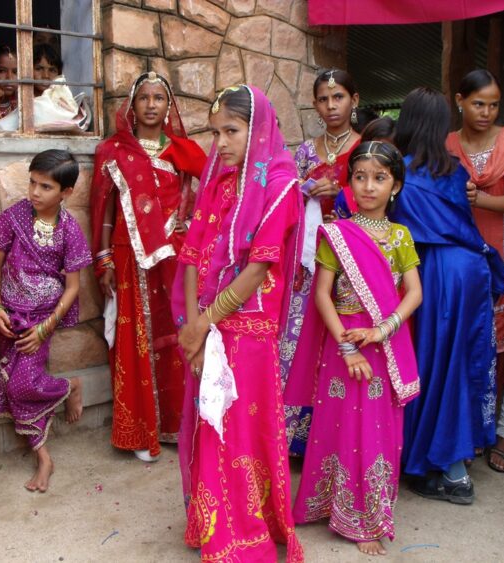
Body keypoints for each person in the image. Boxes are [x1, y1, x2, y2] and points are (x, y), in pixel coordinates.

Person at [175, 85, 304, 562]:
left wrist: (205, 322)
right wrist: (192, 326)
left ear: (259, 127)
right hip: (207, 325)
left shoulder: (280, 182)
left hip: (246, 327)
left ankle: (244, 530)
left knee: (239, 428)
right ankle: (211, 521)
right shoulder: (220, 180)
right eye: (216, 133)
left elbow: (258, 267)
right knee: (209, 423)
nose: (221, 143)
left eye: (231, 131)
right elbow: (192, 256)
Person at [286, 141, 421, 556]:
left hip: (384, 345)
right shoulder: (337, 233)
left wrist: (381, 331)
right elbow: (322, 295)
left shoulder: (400, 236)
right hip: (343, 346)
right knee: (340, 425)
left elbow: (414, 293)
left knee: (377, 431)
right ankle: (335, 506)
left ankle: (368, 516)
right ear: (349, 184)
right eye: (360, 177)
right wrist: (348, 348)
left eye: (379, 178)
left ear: (395, 185)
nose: (368, 186)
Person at [392, 88, 504, 501]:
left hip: (432, 275)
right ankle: (454, 462)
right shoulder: (455, 171)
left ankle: (442, 467)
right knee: (458, 365)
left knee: (429, 367)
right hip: (469, 272)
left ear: (406, 122)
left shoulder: (399, 173)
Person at [90, 71, 206, 462]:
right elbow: (103, 211)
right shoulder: (113, 152)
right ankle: (141, 431)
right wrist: (102, 257)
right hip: (128, 258)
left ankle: (176, 424)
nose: (152, 104)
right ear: (132, 106)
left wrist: (189, 231)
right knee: (135, 340)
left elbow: (207, 198)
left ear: (168, 105)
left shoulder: (184, 151)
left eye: (160, 98)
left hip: (175, 256)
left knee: (177, 338)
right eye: (145, 98)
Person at [0, 149, 91, 492]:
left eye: (45, 187)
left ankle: (70, 386)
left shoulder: (70, 230)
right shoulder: (15, 217)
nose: (34, 192)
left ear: (66, 193)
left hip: (41, 322)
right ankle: (43, 457)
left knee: (21, 385)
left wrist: (44, 328)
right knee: (16, 390)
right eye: (32, 182)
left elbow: (73, 288)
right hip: (8, 318)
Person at [446, 69, 504, 463]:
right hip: (461, 249)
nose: (487, 111)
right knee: (464, 339)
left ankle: (495, 429)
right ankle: (466, 427)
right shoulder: (447, 144)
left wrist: (475, 199)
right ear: (459, 100)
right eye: (479, 103)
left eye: (494, 104)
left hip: (501, 250)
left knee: (500, 344)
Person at [281, 68, 361, 456]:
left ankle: (334, 437)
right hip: (309, 262)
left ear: (354, 100)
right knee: (300, 341)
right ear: (315, 104)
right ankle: (297, 439)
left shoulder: (367, 147)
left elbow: (382, 196)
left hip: (350, 264)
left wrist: (343, 193)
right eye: (324, 99)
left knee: (339, 341)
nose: (332, 106)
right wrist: (306, 192)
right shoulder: (304, 152)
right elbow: (285, 205)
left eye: (339, 97)